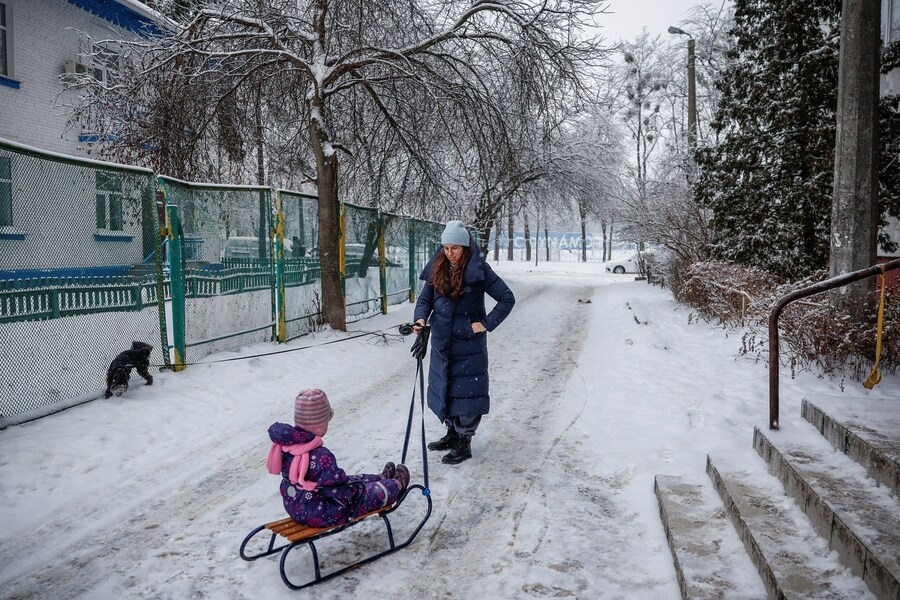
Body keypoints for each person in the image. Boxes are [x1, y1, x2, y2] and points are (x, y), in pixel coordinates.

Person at [412, 220, 515, 464]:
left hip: (468, 344)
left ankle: (464, 442)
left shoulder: (479, 269)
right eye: (446, 248)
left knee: (466, 392)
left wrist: (486, 323)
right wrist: (419, 319)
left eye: (454, 248)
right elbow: (425, 300)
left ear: (465, 247)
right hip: (441, 340)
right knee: (445, 387)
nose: (449, 253)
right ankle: (451, 433)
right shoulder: (437, 265)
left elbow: (506, 298)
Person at [267, 388, 410, 528]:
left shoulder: (288, 446)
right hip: (323, 513)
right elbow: (340, 489)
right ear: (319, 425)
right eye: (326, 422)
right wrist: (358, 489)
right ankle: (395, 485)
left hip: (296, 507)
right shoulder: (320, 456)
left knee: (350, 480)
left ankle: (380, 477)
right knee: (363, 492)